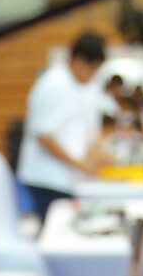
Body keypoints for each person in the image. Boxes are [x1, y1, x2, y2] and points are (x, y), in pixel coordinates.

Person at [15, 30, 108, 216]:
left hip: (65, 177)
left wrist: (94, 152)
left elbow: (82, 128)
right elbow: (44, 136)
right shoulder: (55, 84)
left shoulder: (80, 86)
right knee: (55, 232)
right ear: (80, 61)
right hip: (48, 179)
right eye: (92, 70)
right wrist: (80, 165)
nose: (92, 76)